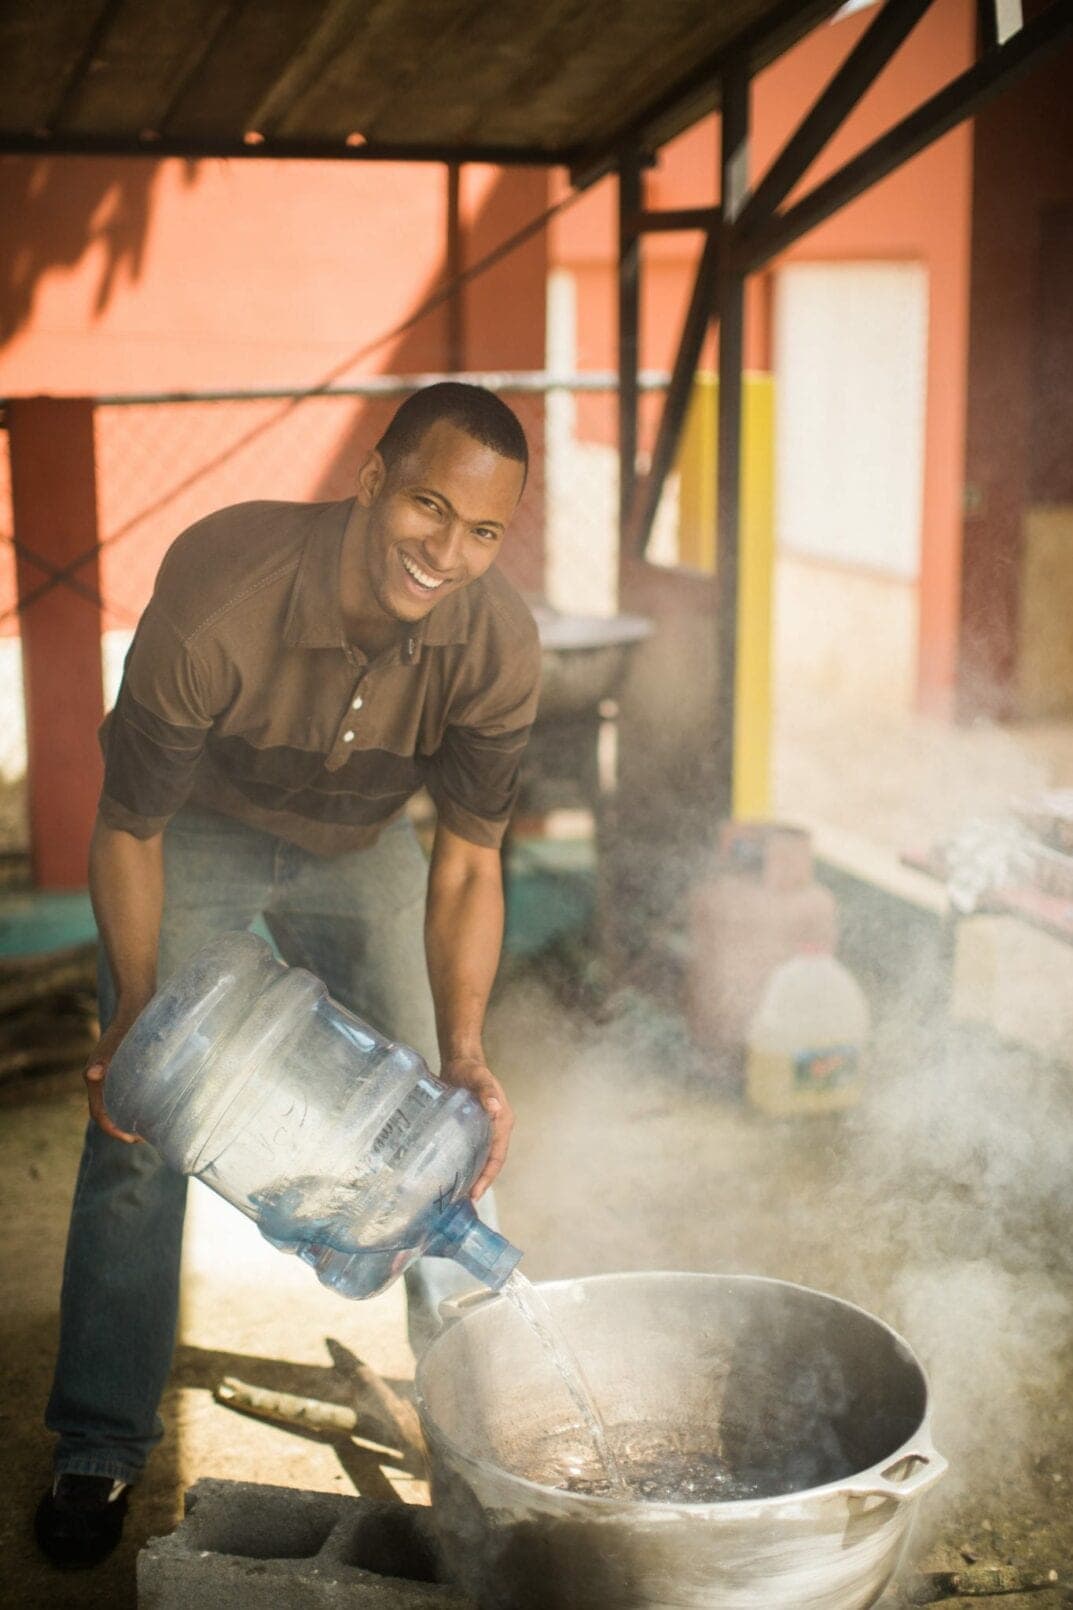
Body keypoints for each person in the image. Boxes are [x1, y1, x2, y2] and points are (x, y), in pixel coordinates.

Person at [35, 382, 540, 1568]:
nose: (448, 551)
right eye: (428, 506)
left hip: (358, 844)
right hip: (195, 829)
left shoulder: (496, 644)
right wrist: (140, 1021)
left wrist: (463, 1053)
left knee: (447, 1126)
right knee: (137, 1125)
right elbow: (129, 827)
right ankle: (99, 1441)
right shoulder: (223, 594)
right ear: (371, 481)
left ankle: (478, 1434)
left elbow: (468, 863)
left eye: (481, 531)